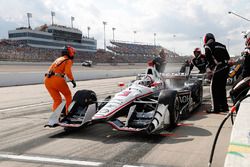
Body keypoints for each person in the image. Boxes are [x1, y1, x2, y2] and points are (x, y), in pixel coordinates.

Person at [44, 45, 76, 115]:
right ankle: (68, 113)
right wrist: (72, 80)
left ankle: (55, 115)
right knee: (68, 96)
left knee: (57, 100)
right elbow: (68, 72)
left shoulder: (58, 59)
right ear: (70, 53)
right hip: (57, 79)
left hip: (47, 80)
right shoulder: (68, 60)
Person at [203, 33, 230, 113]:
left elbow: (209, 60)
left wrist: (209, 69)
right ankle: (224, 107)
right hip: (226, 67)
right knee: (222, 88)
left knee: (214, 88)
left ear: (206, 39)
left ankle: (215, 108)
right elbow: (228, 58)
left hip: (218, 67)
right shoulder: (223, 45)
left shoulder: (208, 46)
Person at [230, 31, 250, 103]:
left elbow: (242, 59)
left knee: (233, 93)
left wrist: (232, 62)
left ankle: (239, 112)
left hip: (247, 77)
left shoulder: (248, 49)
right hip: (245, 75)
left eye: (245, 37)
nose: (245, 40)